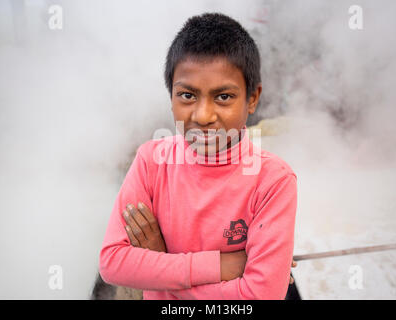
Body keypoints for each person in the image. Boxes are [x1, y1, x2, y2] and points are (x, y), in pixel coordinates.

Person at [99, 12, 298, 300]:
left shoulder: (273, 180)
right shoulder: (151, 162)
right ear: (171, 97)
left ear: (252, 98)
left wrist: (159, 262)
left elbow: (260, 296)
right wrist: (222, 264)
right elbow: (113, 263)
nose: (203, 116)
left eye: (224, 97)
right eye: (188, 95)